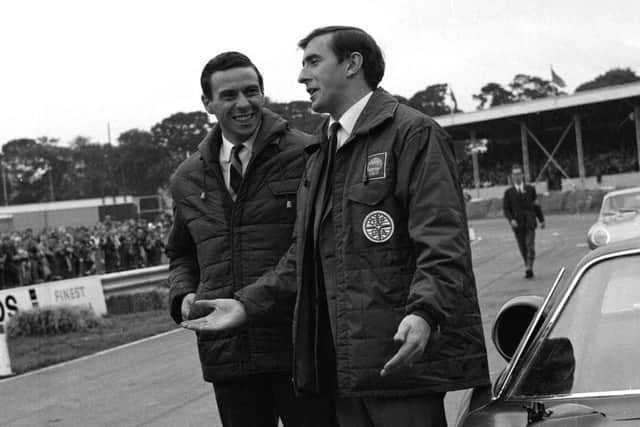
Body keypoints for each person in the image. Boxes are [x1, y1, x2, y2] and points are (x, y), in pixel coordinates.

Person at [182, 27, 489, 426]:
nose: (300, 77)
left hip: (400, 362)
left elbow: (443, 241)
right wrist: (246, 306)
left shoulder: (412, 133)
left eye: (313, 61)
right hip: (343, 369)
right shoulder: (323, 149)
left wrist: (424, 312)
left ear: (352, 64)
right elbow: (304, 258)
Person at [165, 52, 310, 427]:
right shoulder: (186, 177)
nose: (243, 104)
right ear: (207, 104)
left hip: (300, 346)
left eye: (252, 91)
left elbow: (315, 245)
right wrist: (183, 293)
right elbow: (181, 252)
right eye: (229, 95)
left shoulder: (309, 153)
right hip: (228, 353)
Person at [503, 165, 545, 278]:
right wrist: (511, 220)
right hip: (517, 224)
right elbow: (506, 209)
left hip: (530, 222)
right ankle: (527, 264)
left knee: (530, 245)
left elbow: (536, 206)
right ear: (512, 177)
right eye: (515, 174)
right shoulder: (509, 193)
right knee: (523, 247)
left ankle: (529, 266)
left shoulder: (530, 189)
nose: (517, 176)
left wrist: (541, 220)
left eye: (519, 174)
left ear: (522, 175)